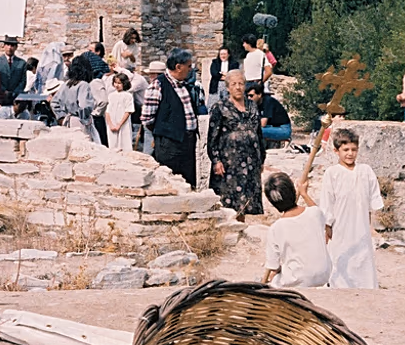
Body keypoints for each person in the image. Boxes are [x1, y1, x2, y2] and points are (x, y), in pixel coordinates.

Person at [319, 128, 385, 288]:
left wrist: (372, 225)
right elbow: (327, 201)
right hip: (340, 226)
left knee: (362, 256)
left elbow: (373, 199)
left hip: (360, 226)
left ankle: (366, 286)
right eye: (345, 150)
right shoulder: (332, 173)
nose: (350, 153)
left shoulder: (365, 171)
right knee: (340, 256)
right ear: (336, 151)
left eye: (353, 150)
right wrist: (327, 224)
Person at [207, 70, 265, 220]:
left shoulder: (252, 105)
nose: (238, 87)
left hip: (251, 162)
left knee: (246, 200)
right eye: (234, 84)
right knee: (229, 200)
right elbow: (212, 137)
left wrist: (262, 159)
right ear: (227, 87)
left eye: (241, 83)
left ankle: (241, 225)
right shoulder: (220, 107)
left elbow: (259, 134)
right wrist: (216, 160)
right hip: (229, 163)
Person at [141, 49, 199, 187]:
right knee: (170, 182)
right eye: (188, 66)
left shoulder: (184, 85)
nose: (191, 69)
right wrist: (164, 131)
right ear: (179, 67)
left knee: (187, 181)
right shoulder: (158, 85)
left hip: (187, 142)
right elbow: (147, 118)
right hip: (169, 144)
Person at [261, 173, 331, 288]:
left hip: (299, 281)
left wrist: (276, 271)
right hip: (324, 276)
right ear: (293, 191)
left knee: (274, 280)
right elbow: (318, 211)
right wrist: (304, 194)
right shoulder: (314, 213)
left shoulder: (276, 228)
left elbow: (273, 266)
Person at [51, 55, 98, 141]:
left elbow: (54, 102)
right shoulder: (83, 85)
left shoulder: (66, 84)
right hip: (80, 122)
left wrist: (61, 117)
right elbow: (84, 106)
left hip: (68, 122)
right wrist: (84, 117)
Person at [105, 73, 136, 152]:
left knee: (124, 145)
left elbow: (128, 111)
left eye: (119, 83)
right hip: (112, 124)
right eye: (115, 83)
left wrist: (119, 124)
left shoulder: (128, 96)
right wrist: (110, 124)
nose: (117, 85)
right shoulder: (111, 95)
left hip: (123, 124)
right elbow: (107, 111)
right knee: (112, 145)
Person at [141, 61, 166, 156]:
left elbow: (148, 116)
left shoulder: (154, 86)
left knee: (148, 153)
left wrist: (146, 122)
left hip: (153, 125)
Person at [0, 35, 27, 102]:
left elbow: (23, 81)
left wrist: (14, 92)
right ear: (4, 46)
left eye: (12, 45)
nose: (9, 48)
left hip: (16, 98)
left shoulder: (22, 63)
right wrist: (3, 91)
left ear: (16, 47)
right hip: (0, 96)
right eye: (8, 45)